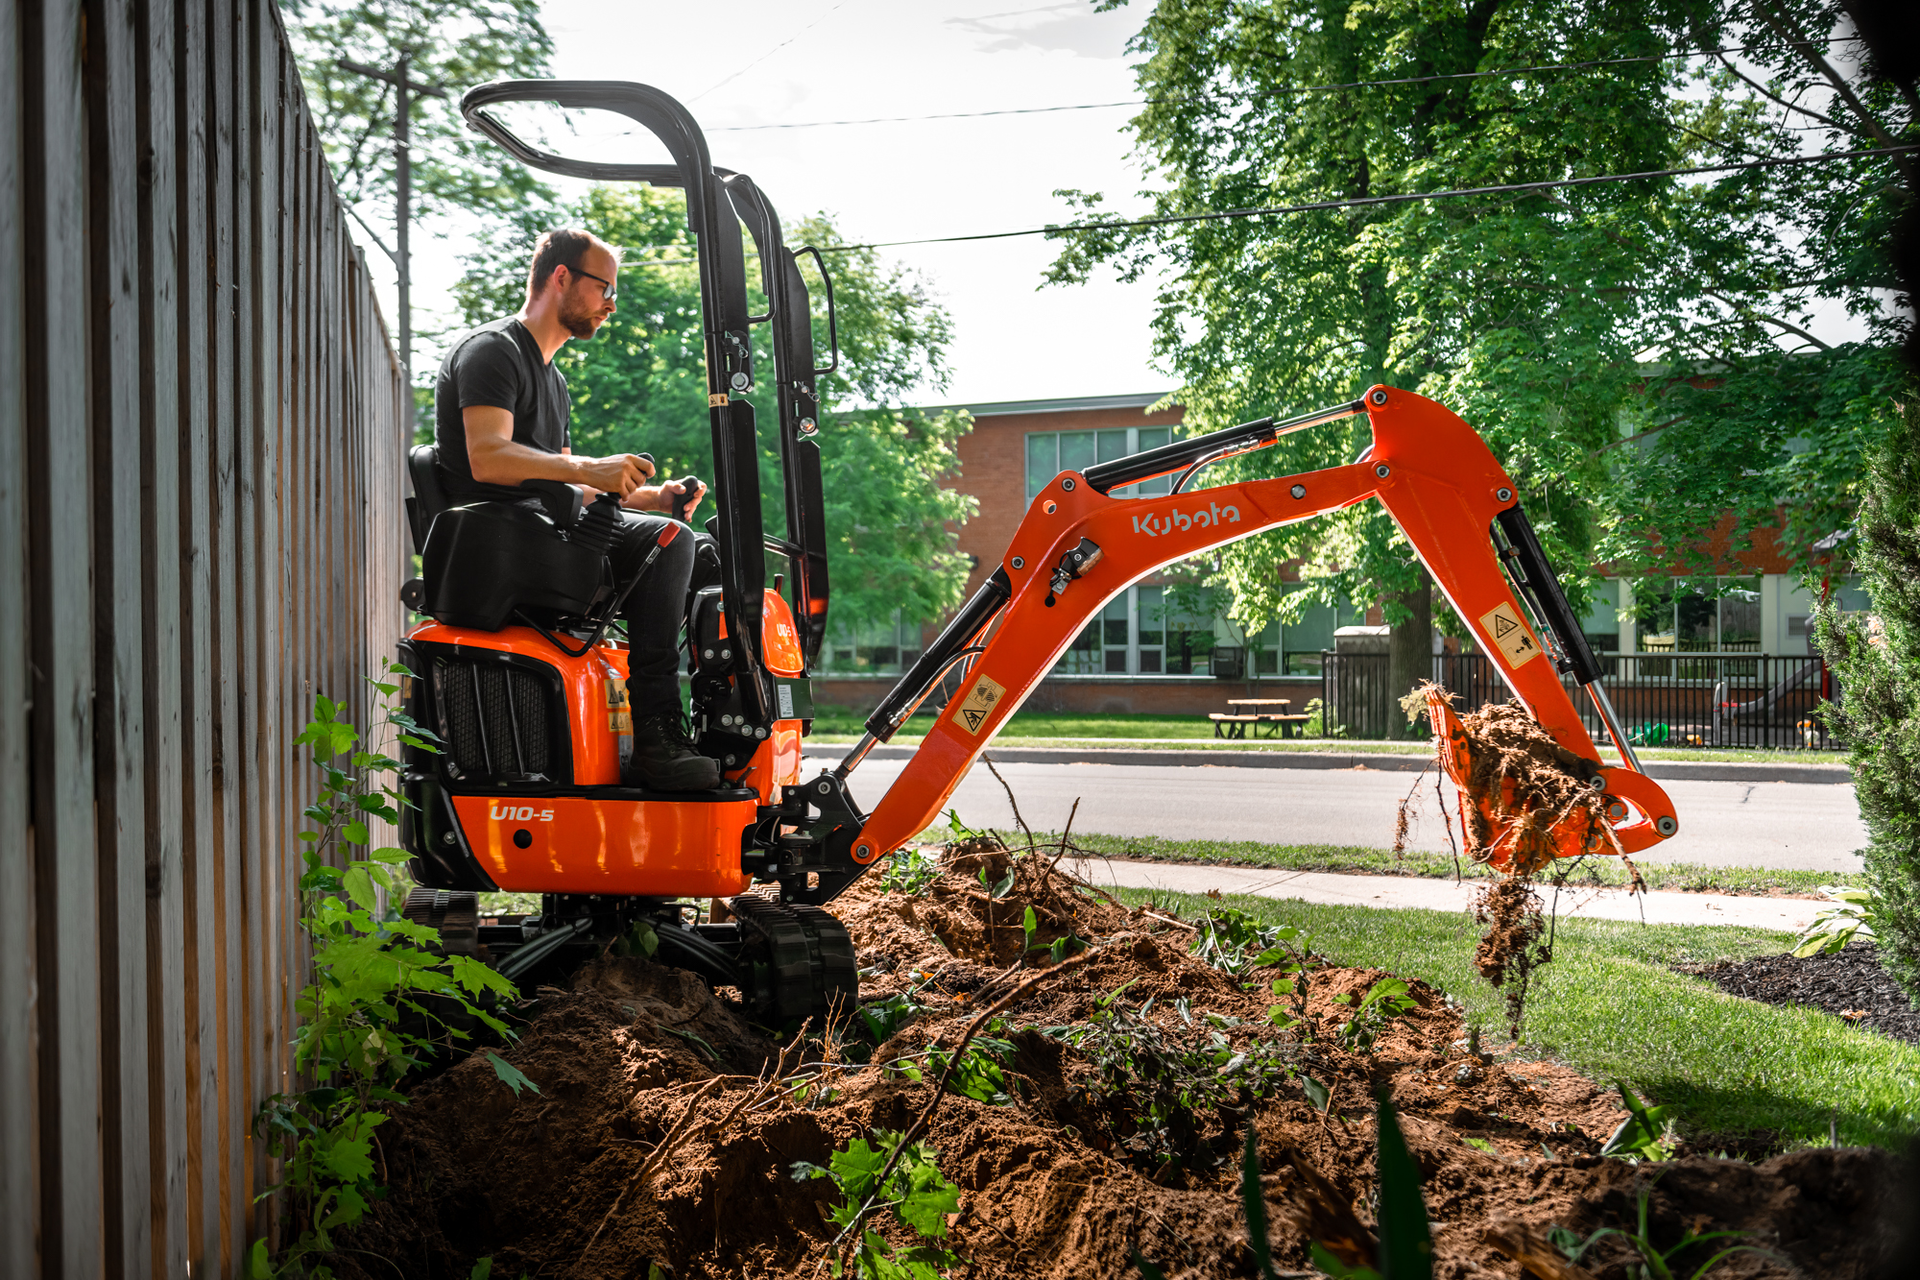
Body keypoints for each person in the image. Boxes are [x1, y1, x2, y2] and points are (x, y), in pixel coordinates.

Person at [432, 227, 718, 791]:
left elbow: (570, 483)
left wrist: (653, 499)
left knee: (702, 547)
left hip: (545, 531)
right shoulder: (493, 351)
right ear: (561, 277)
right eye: (604, 287)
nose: (611, 304)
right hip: (502, 544)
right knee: (670, 544)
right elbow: (488, 457)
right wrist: (590, 468)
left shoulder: (553, 381)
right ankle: (657, 734)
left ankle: (702, 721)